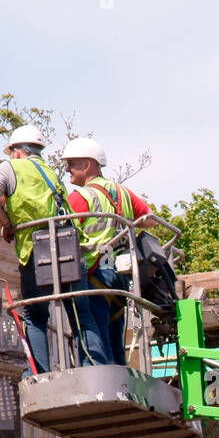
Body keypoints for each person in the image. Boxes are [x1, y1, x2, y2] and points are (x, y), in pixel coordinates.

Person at [0, 125, 111, 374]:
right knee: (80, 313)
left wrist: (7, 223)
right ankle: (95, 369)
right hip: (69, 248)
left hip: (36, 251)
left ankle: (38, 374)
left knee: (36, 315)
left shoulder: (11, 167)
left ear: (17, 152)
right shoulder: (51, 174)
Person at [60, 138, 154, 366]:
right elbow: (149, 220)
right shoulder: (121, 192)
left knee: (94, 335)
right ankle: (120, 383)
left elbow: (63, 231)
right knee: (114, 336)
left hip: (95, 275)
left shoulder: (80, 197)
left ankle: (101, 383)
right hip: (120, 276)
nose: (67, 169)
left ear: (87, 166)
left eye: (71, 163)